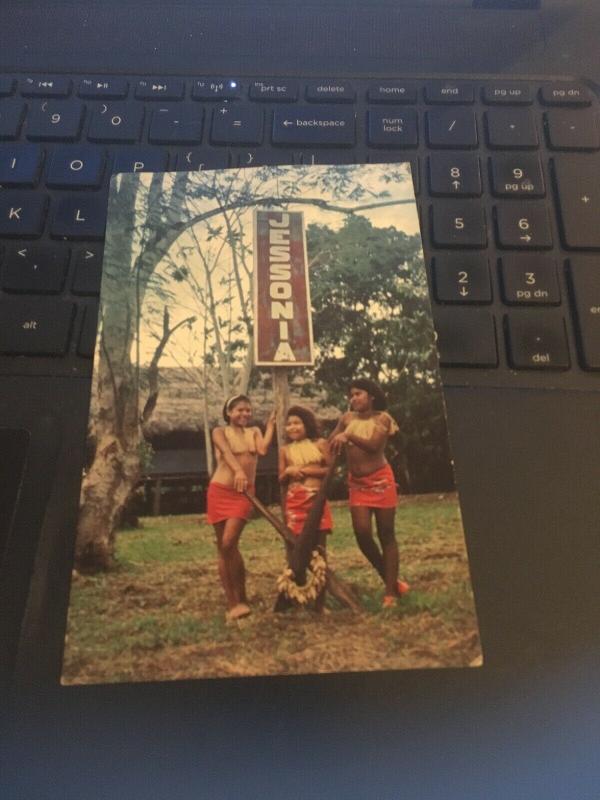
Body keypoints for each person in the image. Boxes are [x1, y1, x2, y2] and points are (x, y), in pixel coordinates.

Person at [329, 378, 409, 608]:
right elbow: (330, 444)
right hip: (357, 485)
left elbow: (374, 446)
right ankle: (392, 580)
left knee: (386, 534)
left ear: (371, 396)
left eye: (359, 394)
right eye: (351, 395)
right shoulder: (346, 419)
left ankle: (390, 594)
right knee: (362, 533)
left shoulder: (383, 418)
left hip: (381, 481)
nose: (354, 398)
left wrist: (349, 436)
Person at [207, 394, 275, 620]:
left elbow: (263, 450)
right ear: (229, 412)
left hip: (243, 494)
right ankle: (233, 602)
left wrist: (271, 426)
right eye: (239, 410)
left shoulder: (254, 432)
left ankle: (242, 596)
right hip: (219, 490)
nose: (244, 414)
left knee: (229, 543)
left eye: (248, 410)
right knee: (224, 548)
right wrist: (238, 471)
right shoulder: (219, 432)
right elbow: (226, 454)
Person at [278, 406, 333, 613]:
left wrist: (306, 470)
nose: (293, 427)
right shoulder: (285, 450)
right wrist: (290, 471)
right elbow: (281, 477)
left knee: (319, 551)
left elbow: (329, 469)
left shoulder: (320, 444)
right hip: (295, 504)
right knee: (297, 552)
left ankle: (320, 602)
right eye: (289, 423)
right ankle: (297, 601)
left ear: (306, 424)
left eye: (297, 422)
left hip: (316, 502)